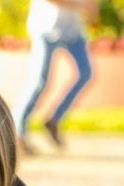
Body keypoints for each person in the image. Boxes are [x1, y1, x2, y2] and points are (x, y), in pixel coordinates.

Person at [14, 0, 98, 155]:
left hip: (73, 30)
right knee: (39, 81)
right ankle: (18, 130)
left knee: (86, 73)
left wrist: (92, 11)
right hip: (45, 27)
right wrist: (80, 5)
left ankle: (54, 119)